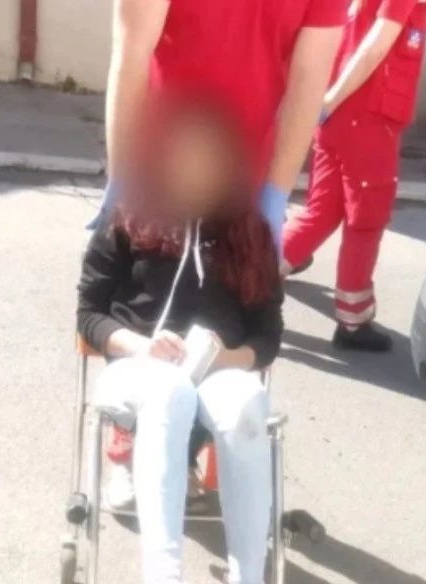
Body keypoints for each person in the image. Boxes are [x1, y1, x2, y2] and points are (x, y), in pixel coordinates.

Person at [77, 101, 283, 584]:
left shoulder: (250, 234)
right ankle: (163, 574)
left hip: (218, 371)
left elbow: (268, 334)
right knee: (170, 391)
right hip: (136, 368)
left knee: (247, 404)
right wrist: (141, 346)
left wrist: (227, 357)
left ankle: (249, 576)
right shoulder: (128, 217)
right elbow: (89, 314)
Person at [90, 0, 349, 253]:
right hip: (158, 178)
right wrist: (122, 181)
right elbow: (133, 51)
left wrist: (274, 196)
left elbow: (308, 84)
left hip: (242, 192)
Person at [281, 0, 426, 352]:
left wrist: (326, 105)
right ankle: (353, 321)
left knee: (321, 212)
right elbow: (374, 48)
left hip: (342, 120)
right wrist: (329, 102)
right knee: (365, 222)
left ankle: (248, 284)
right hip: (366, 122)